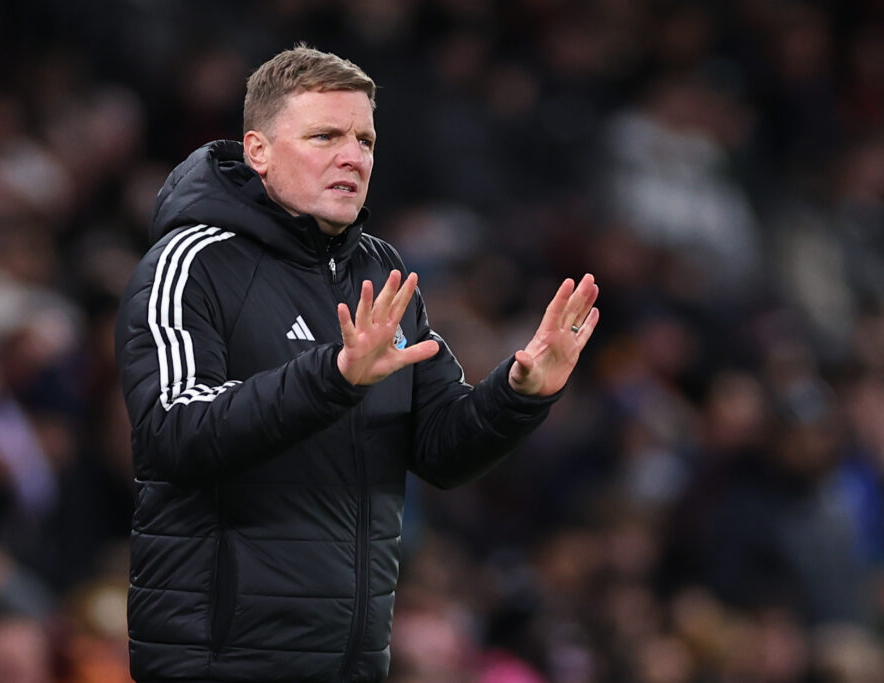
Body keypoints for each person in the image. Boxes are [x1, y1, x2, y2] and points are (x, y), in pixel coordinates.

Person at [114, 45, 599, 683]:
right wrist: (332, 377)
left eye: (364, 140)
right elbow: (172, 432)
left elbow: (439, 450)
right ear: (258, 150)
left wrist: (519, 393)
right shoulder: (193, 262)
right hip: (220, 659)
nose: (353, 157)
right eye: (325, 136)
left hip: (352, 661)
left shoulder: (378, 269)